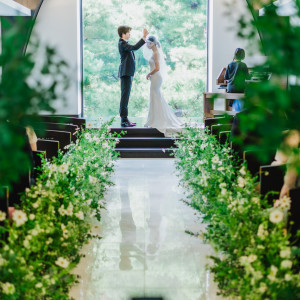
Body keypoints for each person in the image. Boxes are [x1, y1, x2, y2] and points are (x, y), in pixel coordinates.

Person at [143, 35, 183, 137]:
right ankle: (154, 118)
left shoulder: (156, 53)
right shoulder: (153, 52)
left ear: (153, 43)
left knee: (155, 96)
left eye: (148, 43)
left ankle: (157, 119)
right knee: (155, 97)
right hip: (154, 77)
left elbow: (157, 68)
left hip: (156, 76)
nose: (147, 44)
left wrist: (149, 74)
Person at [118, 26, 149, 127]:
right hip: (125, 73)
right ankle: (124, 120)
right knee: (124, 97)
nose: (129, 34)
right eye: (128, 33)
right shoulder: (122, 43)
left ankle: (125, 119)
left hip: (127, 73)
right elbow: (134, 48)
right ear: (123, 33)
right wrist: (143, 37)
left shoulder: (124, 43)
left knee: (126, 96)